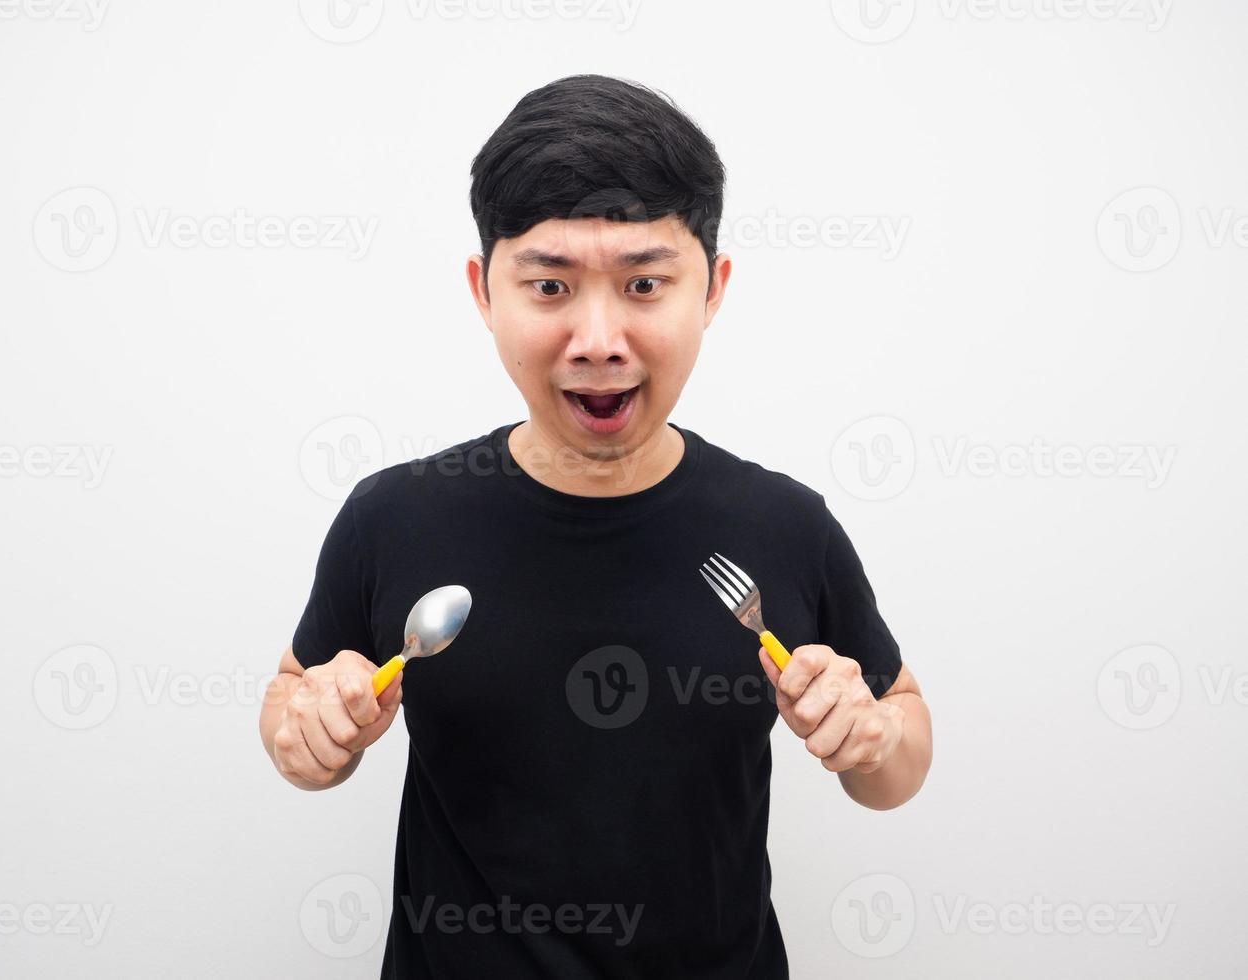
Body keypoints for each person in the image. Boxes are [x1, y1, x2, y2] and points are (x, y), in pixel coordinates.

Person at [258, 73, 932, 979]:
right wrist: (307, 735)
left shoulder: (783, 523)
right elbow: (297, 704)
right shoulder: (395, 516)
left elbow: (898, 744)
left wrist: (875, 740)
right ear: (484, 291)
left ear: (713, 289)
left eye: (645, 283)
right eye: (549, 286)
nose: (598, 338)